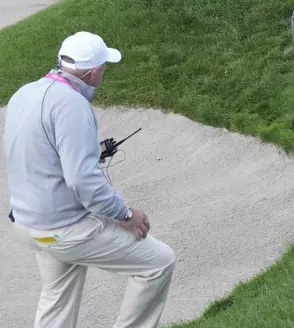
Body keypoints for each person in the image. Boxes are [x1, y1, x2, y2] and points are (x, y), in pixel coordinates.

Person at [3, 31, 176, 328]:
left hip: (28, 224)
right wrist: (126, 214)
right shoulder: (72, 105)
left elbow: (41, 155)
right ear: (95, 72)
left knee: (57, 295)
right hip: (62, 229)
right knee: (159, 263)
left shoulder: (25, 92)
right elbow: (84, 183)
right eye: (103, 70)